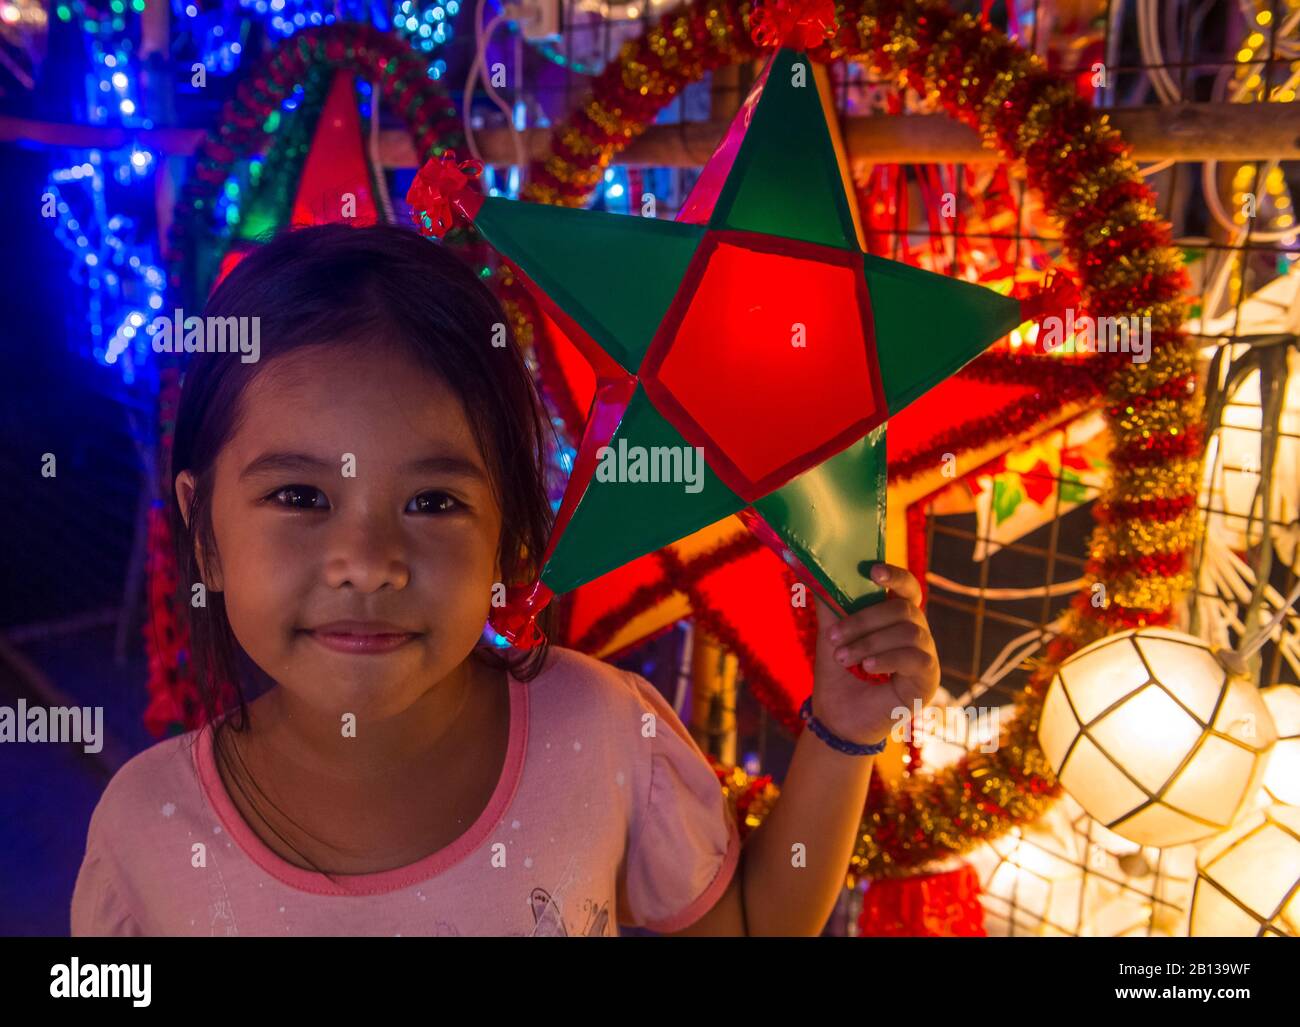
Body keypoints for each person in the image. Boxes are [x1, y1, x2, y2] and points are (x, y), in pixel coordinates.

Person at [70, 223, 940, 937]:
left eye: (434, 500)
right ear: (203, 530)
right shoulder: (146, 830)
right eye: (300, 495)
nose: (368, 561)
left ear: (510, 540)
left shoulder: (601, 731)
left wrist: (844, 732)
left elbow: (752, 925)